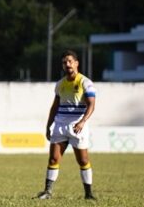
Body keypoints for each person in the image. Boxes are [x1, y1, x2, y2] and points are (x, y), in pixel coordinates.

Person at [35, 50, 97, 200]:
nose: (67, 64)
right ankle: (47, 191)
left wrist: (82, 122)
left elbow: (91, 105)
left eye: (70, 61)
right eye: (64, 62)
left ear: (76, 63)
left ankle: (88, 194)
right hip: (60, 125)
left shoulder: (86, 83)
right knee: (53, 159)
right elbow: (54, 107)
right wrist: (48, 125)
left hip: (78, 127)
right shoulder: (60, 84)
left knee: (83, 160)